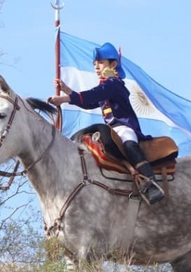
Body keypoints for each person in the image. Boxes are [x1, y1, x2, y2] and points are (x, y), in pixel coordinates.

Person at [48, 42, 165, 205]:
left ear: (113, 64)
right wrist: (67, 90)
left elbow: (93, 94)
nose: (96, 67)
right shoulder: (105, 86)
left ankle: (151, 182)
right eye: (95, 64)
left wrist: (66, 97)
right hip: (112, 130)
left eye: (100, 63)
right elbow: (89, 103)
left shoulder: (114, 84)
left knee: (129, 143)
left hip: (124, 127)